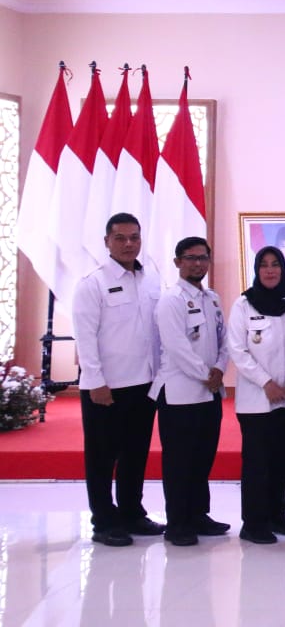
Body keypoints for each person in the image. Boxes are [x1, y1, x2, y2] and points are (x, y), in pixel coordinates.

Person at [71, 212, 164, 546]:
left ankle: (131, 512)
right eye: (121, 238)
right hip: (106, 387)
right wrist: (95, 381)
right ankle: (103, 520)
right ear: (107, 241)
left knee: (135, 453)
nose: (128, 244)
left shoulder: (151, 278)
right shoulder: (92, 284)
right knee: (101, 457)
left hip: (144, 384)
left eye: (134, 237)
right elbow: (85, 338)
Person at [150, 236, 229, 547]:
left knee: (202, 458)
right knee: (179, 461)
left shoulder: (213, 298)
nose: (198, 263)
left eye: (202, 258)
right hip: (179, 394)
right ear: (178, 262)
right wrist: (206, 375)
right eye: (191, 258)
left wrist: (219, 369)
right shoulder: (171, 300)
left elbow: (224, 340)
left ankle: (198, 515)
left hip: (210, 393)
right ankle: (178, 523)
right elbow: (177, 347)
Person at [226, 245, 285, 544]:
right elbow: (237, 350)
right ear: (257, 270)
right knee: (257, 463)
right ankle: (254, 523)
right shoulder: (244, 305)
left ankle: (278, 516)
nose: (270, 270)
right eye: (264, 265)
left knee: (281, 460)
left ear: (283, 269)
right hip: (256, 398)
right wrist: (266, 383)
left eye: (275, 264)